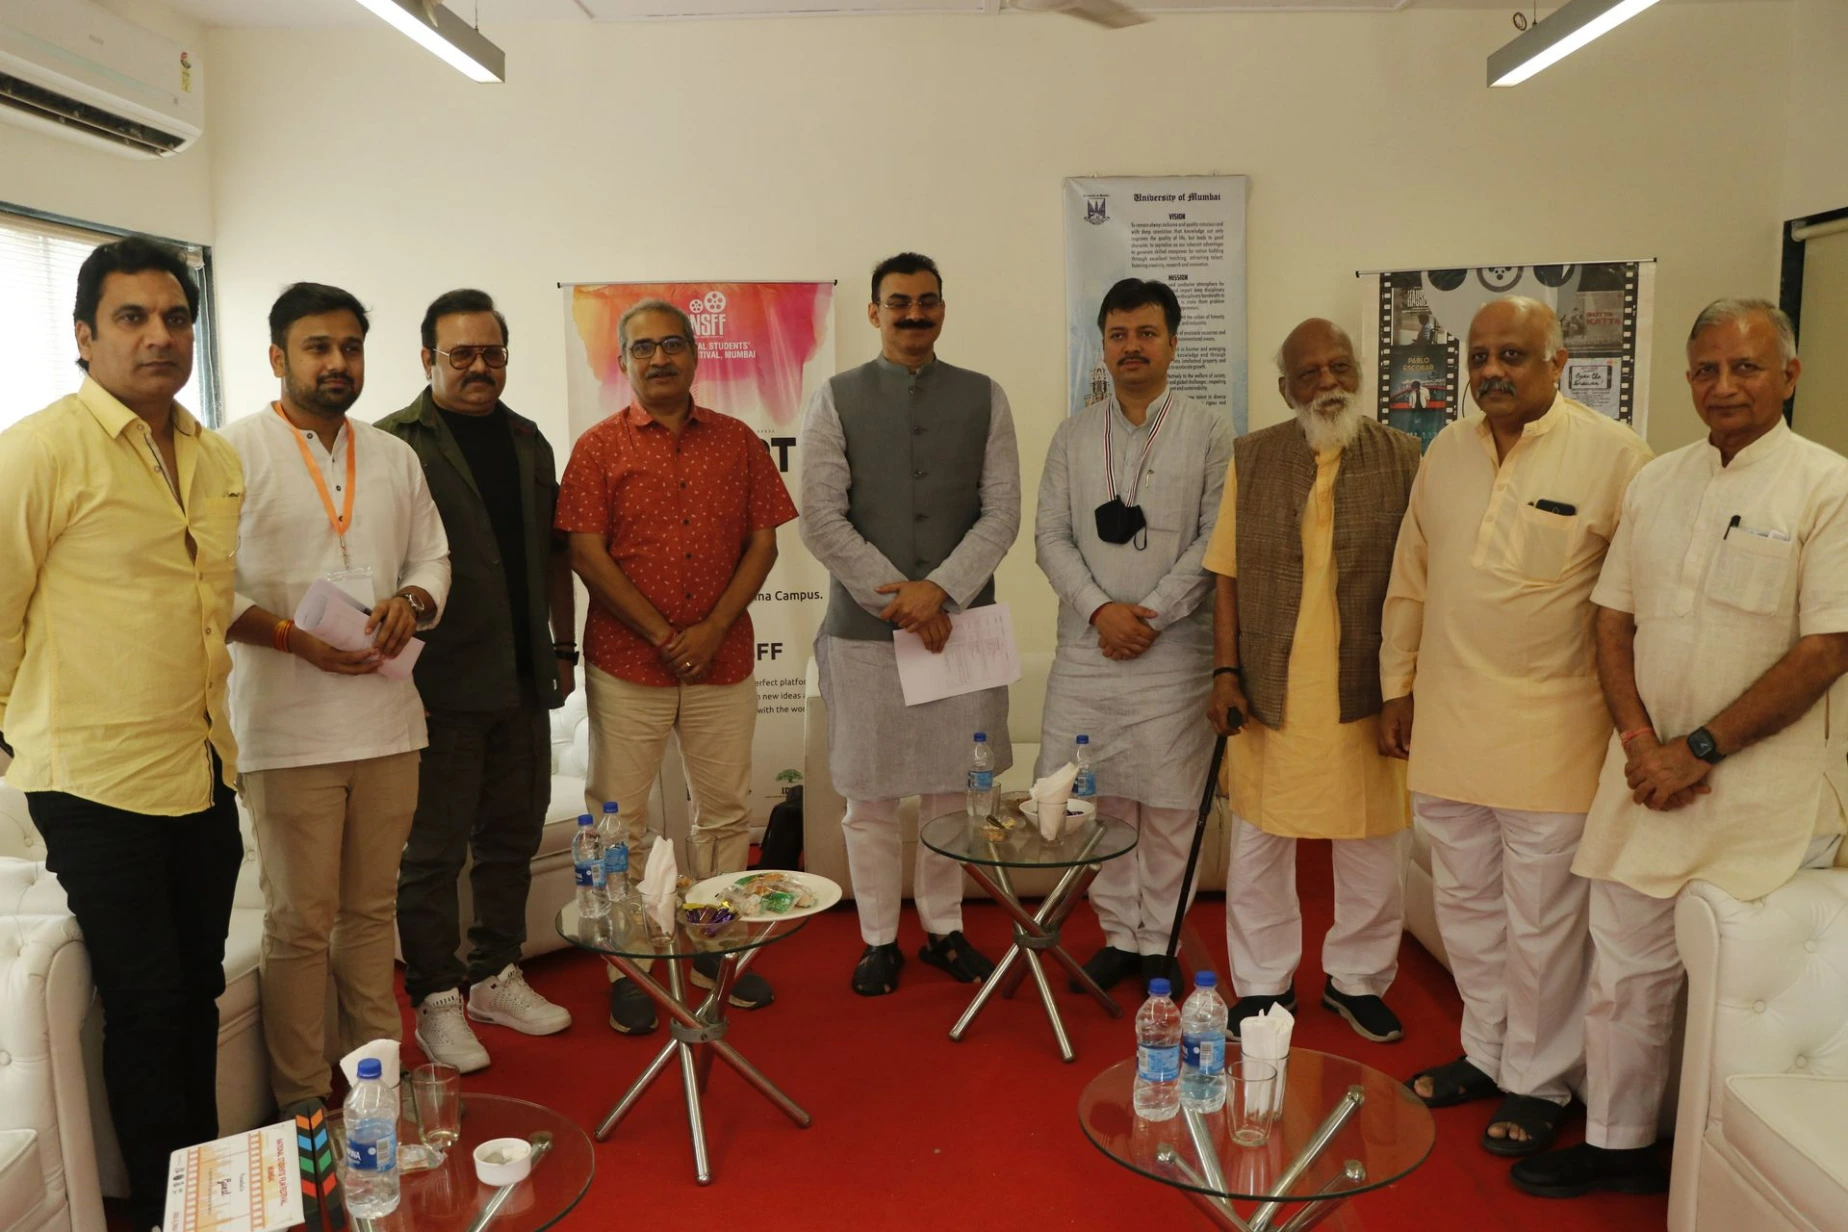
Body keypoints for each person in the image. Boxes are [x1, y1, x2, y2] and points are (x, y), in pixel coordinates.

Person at [1513, 299, 1848, 1197]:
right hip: (1646, 779)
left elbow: (1828, 648)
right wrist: (1638, 740)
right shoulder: (1658, 481)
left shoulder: (1829, 486)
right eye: (1706, 369)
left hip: (1763, 797)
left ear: (1790, 374)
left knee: (1738, 994)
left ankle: (1715, 1171)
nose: (1723, 386)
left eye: (1745, 367)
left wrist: (1697, 749)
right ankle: (1619, 1145)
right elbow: (1611, 619)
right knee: (1623, 971)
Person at [0, 237, 244, 1232]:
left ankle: (209, 1192)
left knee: (196, 991)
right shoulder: (38, 451)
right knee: (145, 1004)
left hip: (203, 764)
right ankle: (162, 1213)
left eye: (176, 318)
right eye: (132, 317)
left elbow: (205, 607)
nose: (159, 337)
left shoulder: (215, 457)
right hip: (92, 778)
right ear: (84, 334)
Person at [1382, 296, 1651, 1157]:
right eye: (1480, 356)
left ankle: (1540, 1082)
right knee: (1466, 909)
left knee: (1541, 923)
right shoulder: (1445, 452)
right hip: (1449, 720)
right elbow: (1411, 576)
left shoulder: (1617, 456)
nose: (1492, 371)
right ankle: (1486, 1052)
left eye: (1513, 355)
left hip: (1553, 730)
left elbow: (1635, 608)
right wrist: (1396, 686)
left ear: (1558, 362)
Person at [222, 283, 451, 1113]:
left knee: (371, 916)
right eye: (317, 347)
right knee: (299, 924)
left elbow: (432, 558)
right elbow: (204, 587)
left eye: (350, 347)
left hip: (389, 722)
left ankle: (373, 1089)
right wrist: (291, 637)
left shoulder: (392, 453)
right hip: (286, 734)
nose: (337, 363)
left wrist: (412, 602)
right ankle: (300, 1103)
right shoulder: (230, 454)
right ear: (277, 357)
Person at [558, 297, 797, 1034]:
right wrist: (666, 634)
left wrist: (711, 628)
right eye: (643, 348)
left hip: (721, 660)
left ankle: (712, 951)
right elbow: (585, 553)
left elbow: (764, 542)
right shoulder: (597, 447)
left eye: (672, 344)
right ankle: (629, 963)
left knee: (724, 815)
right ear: (623, 362)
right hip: (628, 663)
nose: (659, 358)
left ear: (695, 354)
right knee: (619, 823)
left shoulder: (739, 442)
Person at [800, 252, 1020, 996]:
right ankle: (877, 938)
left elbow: (1002, 512)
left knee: (955, 791)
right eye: (899, 302)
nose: (914, 314)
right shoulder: (835, 398)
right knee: (868, 798)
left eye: (927, 301)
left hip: (960, 625)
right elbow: (821, 517)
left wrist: (942, 592)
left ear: (943, 309)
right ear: (874, 312)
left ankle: (945, 931)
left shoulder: (985, 396)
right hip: (866, 633)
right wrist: (902, 599)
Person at [1204, 318, 1421, 1041]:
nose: (1327, 382)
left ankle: (1358, 981)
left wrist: (1407, 689)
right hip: (1272, 687)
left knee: (1374, 843)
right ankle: (1262, 985)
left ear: (1359, 371)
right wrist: (1225, 672)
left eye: (1339, 366)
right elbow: (1227, 575)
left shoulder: (1406, 456)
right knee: (1260, 842)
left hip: (1369, 688)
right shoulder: (1253, 457)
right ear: (1285, 388)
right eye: (1309, 372)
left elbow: (1425, 581)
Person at [379, 289, 576, 1073]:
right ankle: (436, 999)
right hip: (437, 686)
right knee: (432, 853)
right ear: (428, 359)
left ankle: (496, 975)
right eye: (461, 354)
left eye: (492, 353)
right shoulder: (394, 445)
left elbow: (554, 554)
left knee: (509, 839)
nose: (478, 367)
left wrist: (563, 650)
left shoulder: (528, 441)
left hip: (522, 677)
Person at [1037, 278, 1233, 994]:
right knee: (1100, 802)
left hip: (1172, 653)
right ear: (1103, 346)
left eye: (1146, 333)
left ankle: (1162, 942)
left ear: (1173, 343)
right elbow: (1050, 537)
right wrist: (1100, 611)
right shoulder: (1073, 434)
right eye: (1118, 335)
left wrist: (1147, 613)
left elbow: (1216, 540)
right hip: (1089, 650)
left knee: (1173, 806)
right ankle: (1120, 934)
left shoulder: (1210, 431)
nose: (1132, 347)